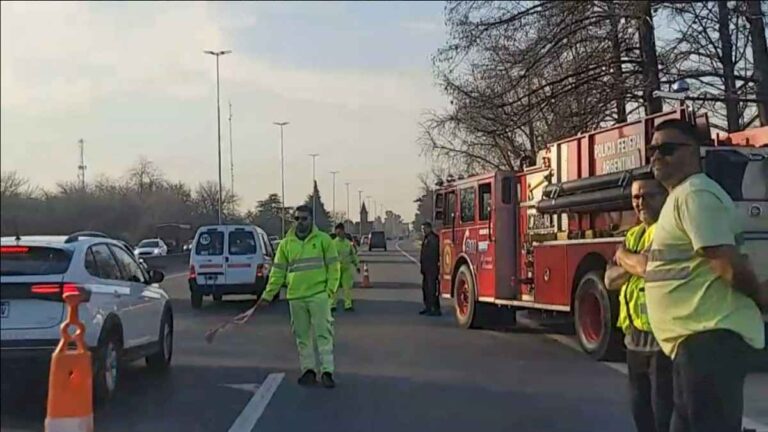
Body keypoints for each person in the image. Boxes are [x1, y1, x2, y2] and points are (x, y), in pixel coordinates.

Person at [645, 119, 768, 432]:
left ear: (697, 153)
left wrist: (762, 299)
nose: (658, 155)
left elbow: (725, 264)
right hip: (695, 344)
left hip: (709, 342)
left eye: (668, 148)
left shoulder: (695, 194)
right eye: (653, 149)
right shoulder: (683, 197)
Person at [605, 178, 673, 432]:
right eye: (635, 197)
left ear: (664, 196)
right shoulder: (634, 235)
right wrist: (633, 262)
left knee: (663, 415)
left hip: (661, 340)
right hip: (634, 339)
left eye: (647, 196)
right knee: (641, 413)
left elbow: (646, 268)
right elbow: (609, 280)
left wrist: (623, 256)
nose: (640, 202)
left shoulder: (667, 230)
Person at [256, 205, 341, 388]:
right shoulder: (286, 244)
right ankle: (308, 371)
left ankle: (327, 371)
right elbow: (277, 273)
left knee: (323, 335)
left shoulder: (323, 240)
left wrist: (330, 292)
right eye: (297, 219)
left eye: (304, 219)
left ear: (311, 220)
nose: (300, 222)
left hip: (319, 296)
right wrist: (267, 296)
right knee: (302, 337)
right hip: (296, 297)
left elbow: (334, 268)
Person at [331, 223, 360, 312]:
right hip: (335, 269)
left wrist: (357, 265)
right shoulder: (333, 244)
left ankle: (348, 304)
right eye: (337, 232)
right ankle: (332, 305)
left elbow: (353, 255)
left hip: (346, 269)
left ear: (343, 231)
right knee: (334, 288)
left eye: (340, 231)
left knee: (347, 287)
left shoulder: (348, 244)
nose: (339, 233)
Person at [419, 221, 441, 316]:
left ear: (429, 228)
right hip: (426, 268)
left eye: (424, 229)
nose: (423, 231)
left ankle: (434, 308)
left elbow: (433, 255)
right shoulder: (426, 238)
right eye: (422, 229)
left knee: (432, 289)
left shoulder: (433, 239)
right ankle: (428, 307)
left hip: (432, 268)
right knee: (426, 288)